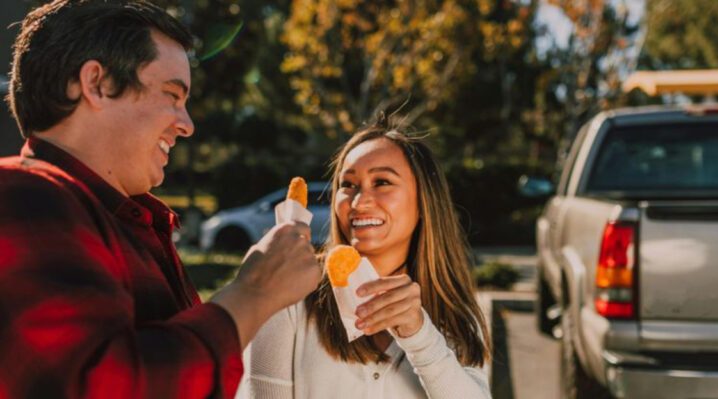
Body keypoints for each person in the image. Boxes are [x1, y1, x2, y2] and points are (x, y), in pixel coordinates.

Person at [0, 1, 320, 398]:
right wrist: (255, 292)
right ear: (96, 83)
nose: (186, 125)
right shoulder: (22, 195)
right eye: (172, 95)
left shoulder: (127, 222)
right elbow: (102, 388)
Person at [240, 115, 492, 398]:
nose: (359, 202)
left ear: (424, 201)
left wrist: (420, 336)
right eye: (348, 185)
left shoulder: (456, 313)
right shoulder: (289, 295)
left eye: (382, 182)